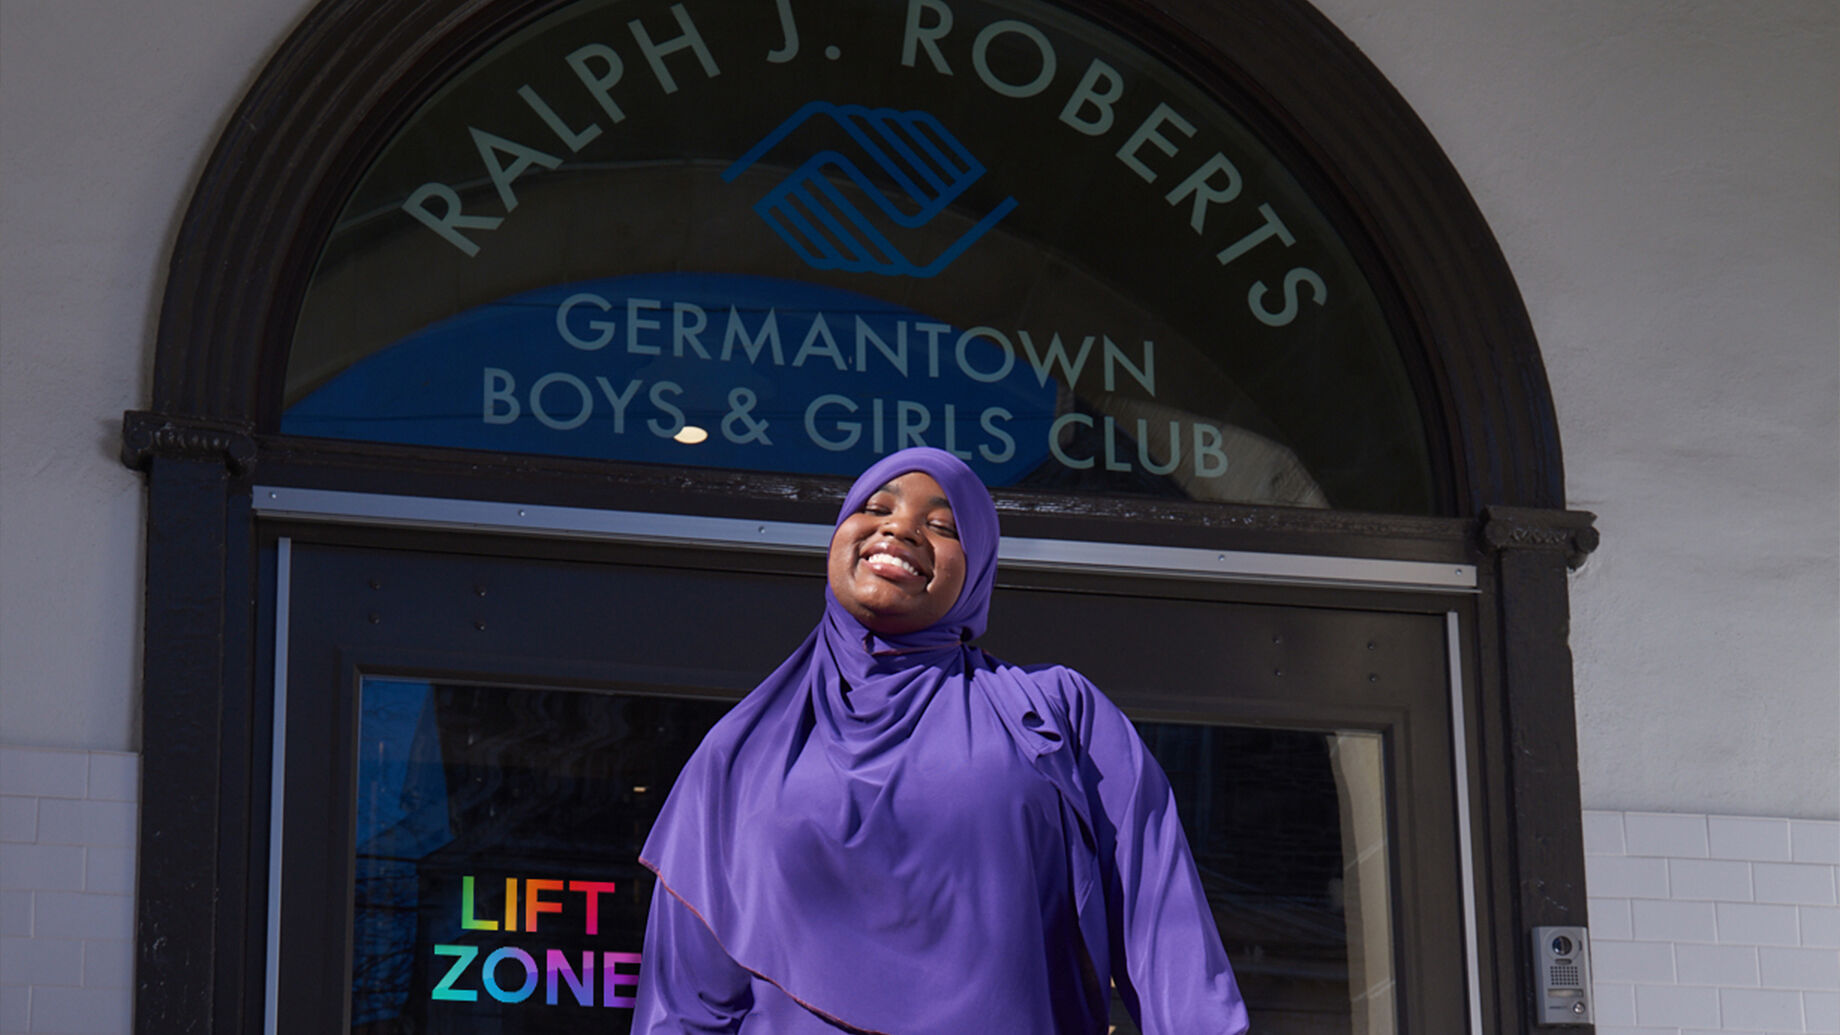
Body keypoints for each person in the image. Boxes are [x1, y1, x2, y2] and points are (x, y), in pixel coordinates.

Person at [634, 447, 1249, 1034]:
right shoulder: (741, 751)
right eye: (876, 510)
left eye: (943, 525)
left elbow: (1163, 927)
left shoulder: (1055, 711)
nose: (899, 531)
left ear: (977, 570)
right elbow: (684, 1000)